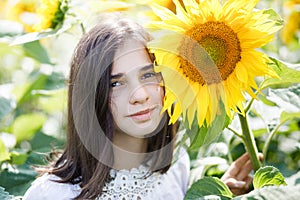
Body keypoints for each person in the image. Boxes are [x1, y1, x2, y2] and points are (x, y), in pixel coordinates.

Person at [23, 13, 257, 200]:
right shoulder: (51, 195)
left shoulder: (176, 167)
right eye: (116, 83)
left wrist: (216, 196)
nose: (140, 95)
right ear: (91, 95)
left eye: (148, 75)